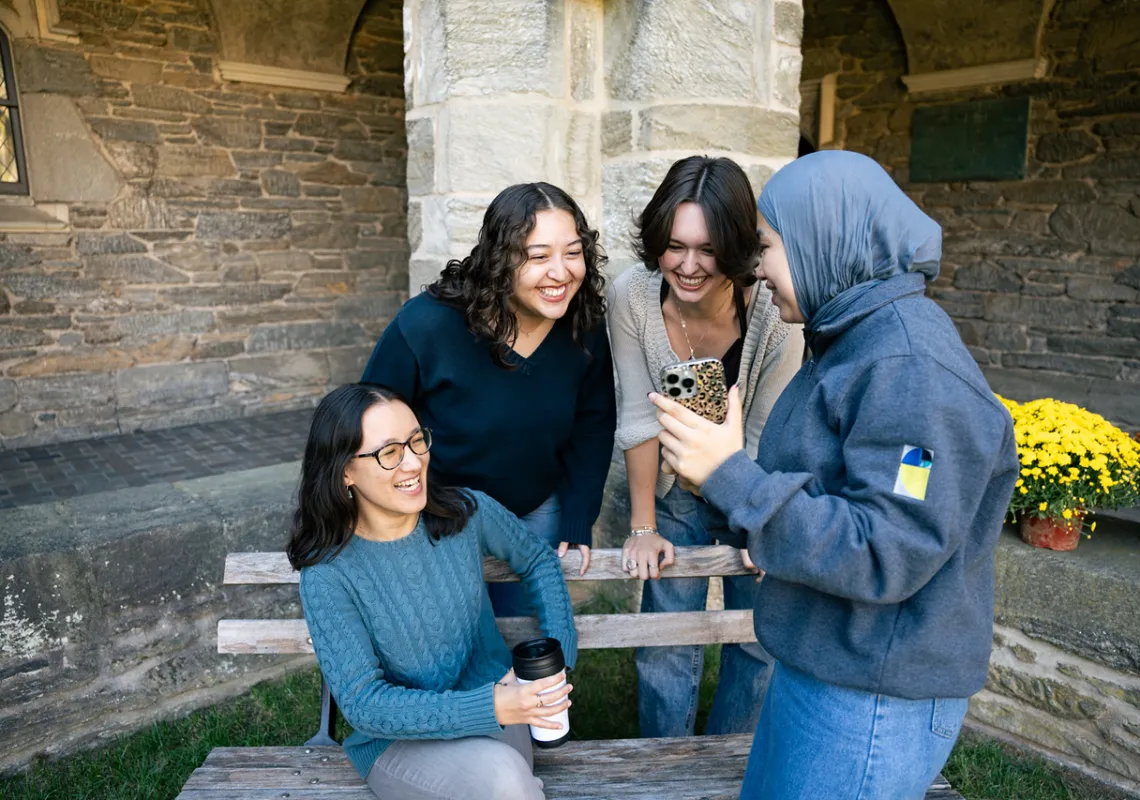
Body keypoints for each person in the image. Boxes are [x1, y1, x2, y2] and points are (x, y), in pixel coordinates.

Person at [650, 150, 1019, 800]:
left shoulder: (910, 370)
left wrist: (729, 474)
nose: (758, 268)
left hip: (868, 698)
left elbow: (885, 550)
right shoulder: (848, 340)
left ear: (826, 239)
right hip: (822, 666)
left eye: (767, 246)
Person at [288, 384, 577, 800]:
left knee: (506, 778)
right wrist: (491, 707)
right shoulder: (329, 575)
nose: (413, 462)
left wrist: (558, 657)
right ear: (344, 471)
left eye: (416, 441)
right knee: (508, 781)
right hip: (400, 741)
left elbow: (537, 559)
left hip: (498, 706)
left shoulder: (466, 513)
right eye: (389, 453)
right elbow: (365, 704)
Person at [606, 156, 802, 738]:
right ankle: (661, 763)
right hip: (676, 492)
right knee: (666, 640)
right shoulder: (632, 298)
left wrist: (765, 529)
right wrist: (644, 526)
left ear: (739, 246)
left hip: (755, 483)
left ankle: (731, 759)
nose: (688, 267)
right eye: (674, 246)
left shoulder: (774, 310)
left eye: (708, 250)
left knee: (758, 638)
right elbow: (638, 418)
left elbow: (770, 430)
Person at [361, 183, 616, 615]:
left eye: (573, 253)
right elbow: (366, 420)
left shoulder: (583, 324)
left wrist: (578, 515)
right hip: (435, 516)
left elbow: (594, 423)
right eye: (538, 256)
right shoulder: (428, 324)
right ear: (501, 259)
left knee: (523, 639)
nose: (561, 272)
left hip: (534, 514)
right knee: (447, 645)